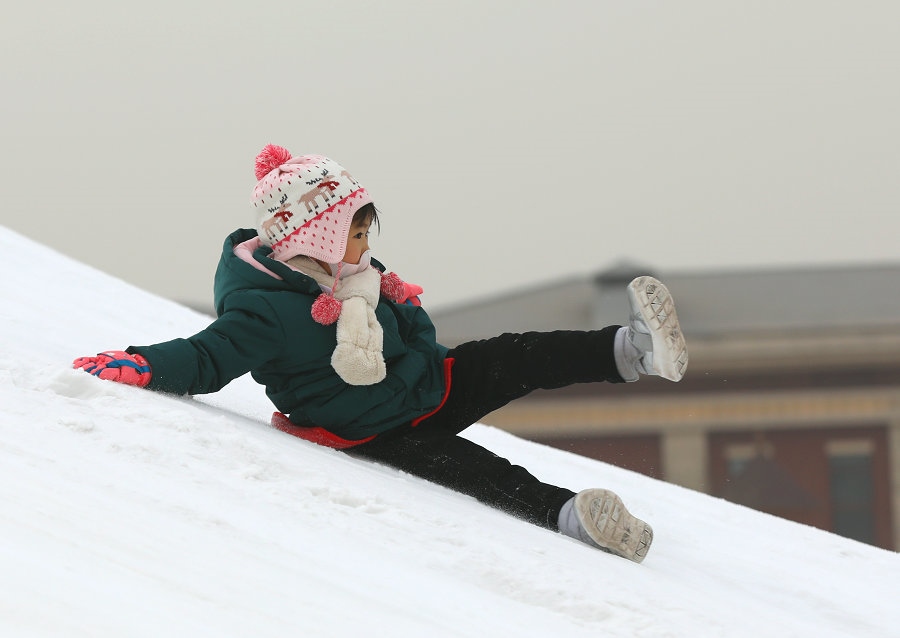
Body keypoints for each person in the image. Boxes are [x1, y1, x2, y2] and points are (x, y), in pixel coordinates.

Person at [73, 144, 688, 563]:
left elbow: (416, 324)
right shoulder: (268, 310)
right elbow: (209, 355)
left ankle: (633, 350)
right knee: (477, 472)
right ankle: (576, 518)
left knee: (518, 354)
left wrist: (422, 354)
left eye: (367, 231)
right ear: (314, 234)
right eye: (356, 232)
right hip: (371, 429)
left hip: (427, 382)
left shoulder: (362, 276)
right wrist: (146, 365)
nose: (367, 244)